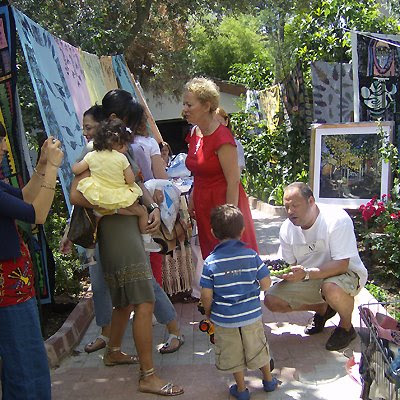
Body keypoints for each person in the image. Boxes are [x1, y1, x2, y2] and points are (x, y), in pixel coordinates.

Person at [70, 89, 184, 395]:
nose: (131, 129)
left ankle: (113, 352)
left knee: (125, 301)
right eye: (127, 121)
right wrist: (124, 208)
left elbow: (135, 182)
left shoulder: (121, 146)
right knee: (144, 300)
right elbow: (76, 195)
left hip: (128, 231)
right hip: (115, 234)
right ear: (113, 118)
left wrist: (152, 208)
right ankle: (148, 375)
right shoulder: (93, 150)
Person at [264, 182, 368, 351]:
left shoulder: (336, 219)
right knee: (271, 299)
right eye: (287, 207)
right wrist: (282, 273)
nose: (290, 212)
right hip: (310, 277)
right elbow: (289, 264)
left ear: (311, 201)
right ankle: (323, 309)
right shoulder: (287, 229)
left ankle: (346, 328)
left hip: (345, 274)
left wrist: (306, 274)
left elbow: (342, 264)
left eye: (295, 206)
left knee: (331, 288)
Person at [0, 125, 64, 400]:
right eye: (0, 142)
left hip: (14, 287)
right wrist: (53, 169)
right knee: (25, 362)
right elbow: (37, 214)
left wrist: (42, 165)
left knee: (22, 360)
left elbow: (24, 198)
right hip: (8, 292)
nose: (4, 148)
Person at [200, 205, 278, 400]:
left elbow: (206, 295)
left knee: (233, 354)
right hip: (251, 315)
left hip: (224, 319)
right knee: (259, 348)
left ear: (213, 232)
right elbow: (266, 283)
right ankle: (268, 381)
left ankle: (242, 390)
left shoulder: (210, 262)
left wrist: (208, 313)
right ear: (242, 230)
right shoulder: (251, 255)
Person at [183, 77, 258, 259]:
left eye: (189, 105)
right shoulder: (195, 133)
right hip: (203, 203)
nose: (184, 109)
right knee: (213, 258)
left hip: (223, 203)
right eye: (184, 104)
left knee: (232, 256)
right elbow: (198, 172)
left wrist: (229, 218)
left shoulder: (222, 138)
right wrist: (193, 197)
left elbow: (233, 181)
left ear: (206, 106)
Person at [72, 118, 160, 252]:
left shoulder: (92, 155)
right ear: (118, 144)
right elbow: (131, 180)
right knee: (141, 212)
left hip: (99, 197)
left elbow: (76, 169)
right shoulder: (121, 158)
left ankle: (90, 252)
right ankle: (147, 240)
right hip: (119, 202)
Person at [214, 107, 246, 173]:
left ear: (226, 121)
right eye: (213, 123)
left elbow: (238, 169)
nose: (216, 126)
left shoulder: (235, 144)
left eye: (219, 122)